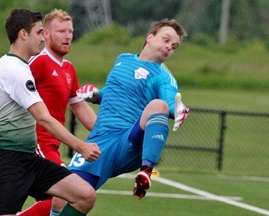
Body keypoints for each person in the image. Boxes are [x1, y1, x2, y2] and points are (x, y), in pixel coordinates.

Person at [53, 18, 189, 214]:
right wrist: (96, 94)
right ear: (149, 37)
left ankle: (146, 171)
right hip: (100, 141)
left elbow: (170, 102)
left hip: (129, 140)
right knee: (62, 198)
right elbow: (114, 91)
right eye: (166, 40)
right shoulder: (123, 59)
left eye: (174, 46)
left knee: (157, 105)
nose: (169, 47)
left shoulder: (164, 77)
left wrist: (179, 109)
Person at [0, 8, 100, 216]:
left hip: (29, 160)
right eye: (38, 33)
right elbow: (44, 118)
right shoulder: (16, 70)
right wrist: (80, 146)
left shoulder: (2, 64)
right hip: (6, 161)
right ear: (23, 34)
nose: (42, 39)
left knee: (85, 195)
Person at [17, 9, 97, 216]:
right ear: (46, 34)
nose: (68, 35)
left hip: (52, 145)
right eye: (61, 31)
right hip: (34, 142)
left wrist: (109, 132)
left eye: (70, 31)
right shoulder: (39, 61)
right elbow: (11, 90)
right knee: (63, 197)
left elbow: (79, 107)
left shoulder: (69, 69)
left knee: (57, 201)